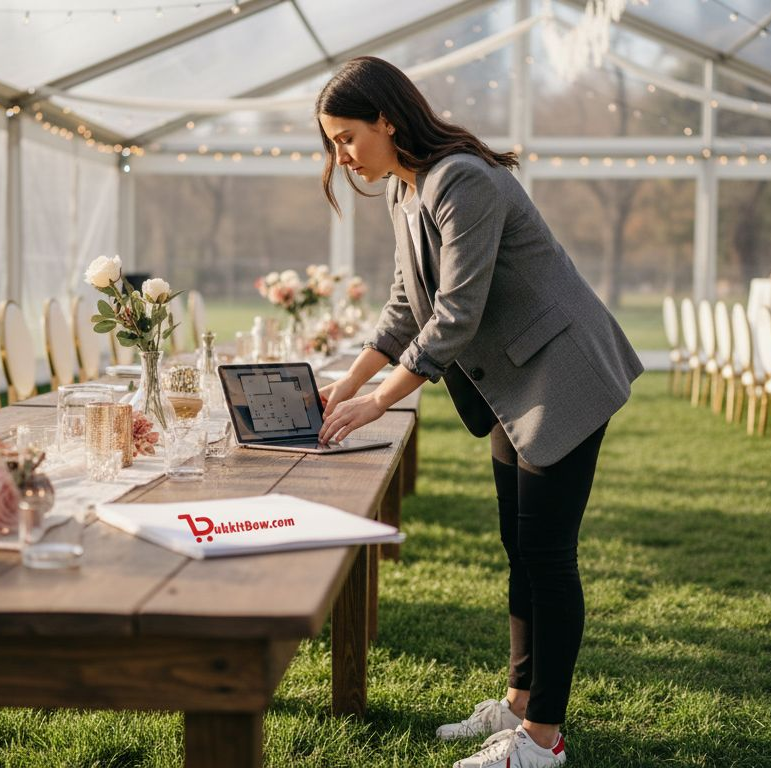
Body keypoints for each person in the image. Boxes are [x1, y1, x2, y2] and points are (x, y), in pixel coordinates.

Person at [313, 57, 643, 768]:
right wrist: (349, 381)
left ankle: (542, 742)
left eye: (345, 137)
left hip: (562, 374)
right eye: (332, 144)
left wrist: (377, 401)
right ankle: (520, 704)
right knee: (519, 547)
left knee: (549, 558)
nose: (341, 156)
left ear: (386, 119)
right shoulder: (408, 193)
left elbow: (454, 316)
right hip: (513, 386)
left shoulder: (461, 180)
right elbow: (407, 308)